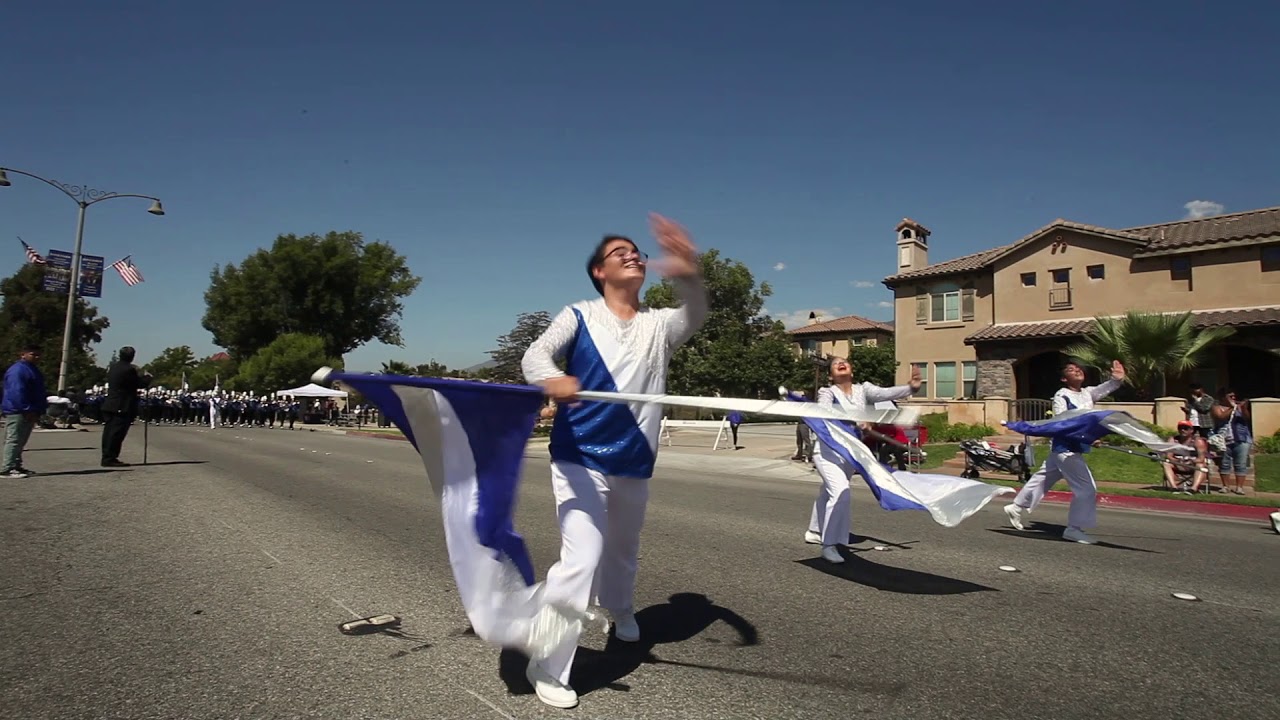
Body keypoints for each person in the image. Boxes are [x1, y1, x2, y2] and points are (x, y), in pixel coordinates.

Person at [520, 213, 708, 709]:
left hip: (634, 456)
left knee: (623, 548)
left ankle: (620, 608)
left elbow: (697, 311)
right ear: (599, 272)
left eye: (638, 251)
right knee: (581, 557)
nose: (632, 254)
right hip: (578, 452)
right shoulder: (577, 314)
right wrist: (550, 378)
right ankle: (548, 660)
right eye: (618, 252)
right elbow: (534, 356)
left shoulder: (659, 325)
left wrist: (688, 268)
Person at [803, 357, 921, 563]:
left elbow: (886, 393)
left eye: (845, 362)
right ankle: (829, 544)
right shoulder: (827, 392)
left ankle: (814, 530)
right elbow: (825, 411)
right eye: (835, 363)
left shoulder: (863, 390)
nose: (841, 363)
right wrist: (857, 421)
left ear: (851, 371)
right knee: (840, 491)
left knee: (827, 492)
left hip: (850, 451)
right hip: (828, 450)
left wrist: (910, 388)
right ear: (831, 375)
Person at [1004, 359, 1126, 544]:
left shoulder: (1087, 393)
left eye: (1078, 368)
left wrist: (1116, 379)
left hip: (1069, 448)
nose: (1077, 370)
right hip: (1065, 447)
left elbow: (1105, 388)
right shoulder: (1062, 396)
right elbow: (1062, 423)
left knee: (1042, 478)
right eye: (1071, 369)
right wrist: (1089, 437)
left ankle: (1016, 506)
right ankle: (1073, 529)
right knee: (1086, 489)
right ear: (1063, 378)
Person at [101, 346, 152, 467]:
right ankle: (109, 458)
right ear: (132, 356)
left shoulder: (113, 367)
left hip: (111, 404)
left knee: (109, 432)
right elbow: (138, 384)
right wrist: (148, 378)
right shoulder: (128, 369)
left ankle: (107, 455)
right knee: (116, 433)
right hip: (121, 405)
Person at [2, 344, 47, 478]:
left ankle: (16, 465)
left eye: (38, 355)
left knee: (21, 440)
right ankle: (6, 468)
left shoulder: (32, 369)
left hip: (29, 409)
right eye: (33, 354)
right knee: (14, 439)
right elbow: (17, 392)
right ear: (23, 354)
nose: (37, 357)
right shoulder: (18, 370)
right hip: (18, 410)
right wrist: (26, 409)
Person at [1162, 420, 1209, 494]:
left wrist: (1191, 461)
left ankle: (1193, 489)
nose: (1182, 430)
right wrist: (1176, 461)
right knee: (1166, 463)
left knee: (1201, 465)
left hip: (1193, 465)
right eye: (1180, 428)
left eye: (1185, 428)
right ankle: (1174, 488)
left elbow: (1201, 459)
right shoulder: (1173, 440)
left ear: (1191, 430)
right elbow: (1169, 456)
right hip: (1178, 464)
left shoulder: (1198, 441)